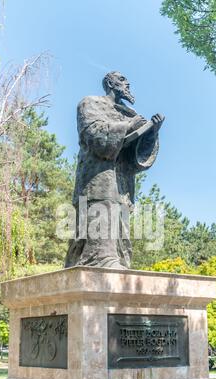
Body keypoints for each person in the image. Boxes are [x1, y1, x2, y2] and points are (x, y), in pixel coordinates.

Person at [65, 71, 164, 269]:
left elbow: (136, 159)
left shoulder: (129, 113)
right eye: (122, 79)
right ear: (110, 83)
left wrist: (151, 132)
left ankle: (114, 261)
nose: (127, 83)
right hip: (97, 176)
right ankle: (100, 259)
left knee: (120, 226)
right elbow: (94, 135)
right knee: (101, 214)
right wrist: (128, 126)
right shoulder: (90, 103)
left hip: (122, 182)